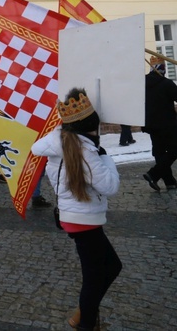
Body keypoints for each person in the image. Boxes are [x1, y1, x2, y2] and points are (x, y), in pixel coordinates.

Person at [31, 88, 121, 330]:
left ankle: (83, 313)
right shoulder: (86, 151)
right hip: (84, 218)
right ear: (92, 125)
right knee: (95, 277)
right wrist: (106, 158)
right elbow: (109, 186)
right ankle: (85, 321)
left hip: (74, 216)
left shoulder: (60, 141)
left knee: (111, 266)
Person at [142, 56, 177, 191]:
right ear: (162, 69)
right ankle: (153, 174)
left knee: (159, 151)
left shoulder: (142, 83)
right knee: (174, 150)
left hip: (150, 124)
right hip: (167, 124)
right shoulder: (166, 83)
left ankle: (169, 181)